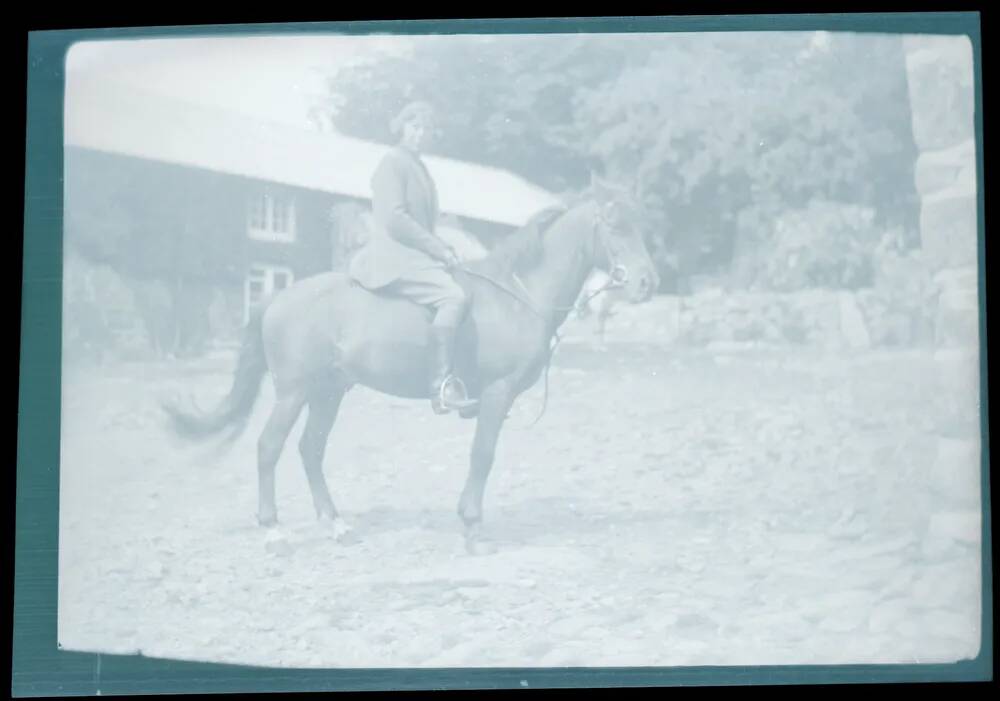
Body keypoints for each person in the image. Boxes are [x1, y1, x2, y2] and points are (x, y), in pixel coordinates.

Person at [348, 101, 478, 414]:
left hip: (413, 253)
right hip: (393, 255)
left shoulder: (419, 167)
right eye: (414, 126)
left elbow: (422, 222)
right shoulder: (392, 163)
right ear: (402, 127)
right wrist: (438, 248)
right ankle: (441, 387)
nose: (420, 134)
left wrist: (445, 247)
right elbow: (394, 219)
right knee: (453, 297)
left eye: (426, 129)